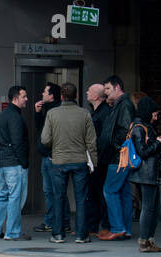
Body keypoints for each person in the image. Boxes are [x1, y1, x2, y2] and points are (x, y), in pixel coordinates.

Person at [40, 82, 97, 243]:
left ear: (61, 97)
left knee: (58, 197)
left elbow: (45, 139)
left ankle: (58, 234)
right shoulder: (84, 114)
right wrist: (94, 162)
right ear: (76, 96)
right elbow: (91, 141)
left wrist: (55, 146)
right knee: (81, 198)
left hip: (59, 161)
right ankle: (81, 235)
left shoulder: (52, 113)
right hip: (80, 161)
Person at [0, 86, 31, 241]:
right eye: (24, 96)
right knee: (15, 197)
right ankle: (13, 232)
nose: (26, 99)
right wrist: (24, 162)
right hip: (14, 162)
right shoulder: (15, 117)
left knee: (3, 195)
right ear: (15, 98)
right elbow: (18, 141)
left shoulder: (3, 115)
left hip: (2, 161)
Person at [98, 75, 138, 241]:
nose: (105, 92)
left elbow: (124, 131)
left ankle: (118, 228)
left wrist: (115, 147)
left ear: (117, 88)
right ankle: (124, 229)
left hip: (118, 157)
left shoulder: (124, 105)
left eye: (107, 88)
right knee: (123, 192)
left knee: (110, 190)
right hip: (121, 155)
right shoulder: (123, 104)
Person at [128, 95, 161, 252]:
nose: (156, 118)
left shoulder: (140, 126)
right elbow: (143, 151)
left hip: (144, 173)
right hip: (146, 173)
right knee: (148, 207)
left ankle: (149, 239)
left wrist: (157, 141)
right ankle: (145, 240)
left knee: (155, 207)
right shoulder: (140, 128)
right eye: (154, 114)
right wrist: (159, 142)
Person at [32, 83, 66, 235]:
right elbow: (40, 130)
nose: (42, 94)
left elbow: (57, 135)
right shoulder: (47, 109)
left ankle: (56, 222)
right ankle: (55, 221)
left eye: (45, 92)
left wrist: (53, 152)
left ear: (52, 95)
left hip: (52, 157)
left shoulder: (57, 111)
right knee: (51, 191)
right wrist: (38, 113)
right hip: (46, 156)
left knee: (54, 191)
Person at [87, 83, 112, 233]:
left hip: (100, 160)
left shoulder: (103, 114)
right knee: (95, 192)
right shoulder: (97, 112)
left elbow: (103, 139)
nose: (86, 93)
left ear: (96, 96)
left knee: (99, 192)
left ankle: (103, 224)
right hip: (97, 159)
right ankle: (94, 224)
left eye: (89, 91)